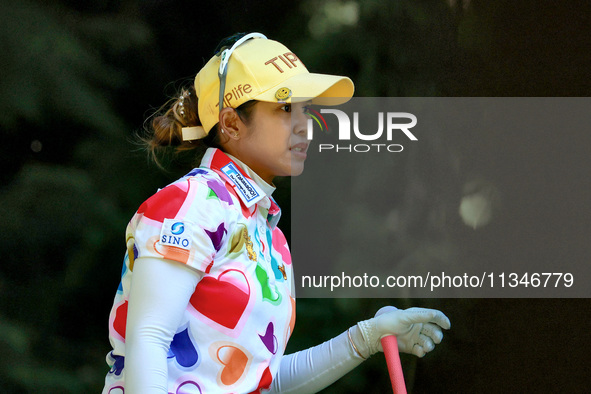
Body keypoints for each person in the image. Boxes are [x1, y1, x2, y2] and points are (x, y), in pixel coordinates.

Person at [102, 32, 450, 394]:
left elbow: (263, 382)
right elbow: (149, 339)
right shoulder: (193, 203)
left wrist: (364, 339)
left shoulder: (270, 236)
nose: (305, 125)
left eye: (307, 109)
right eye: (285, 108)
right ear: (231, 123)